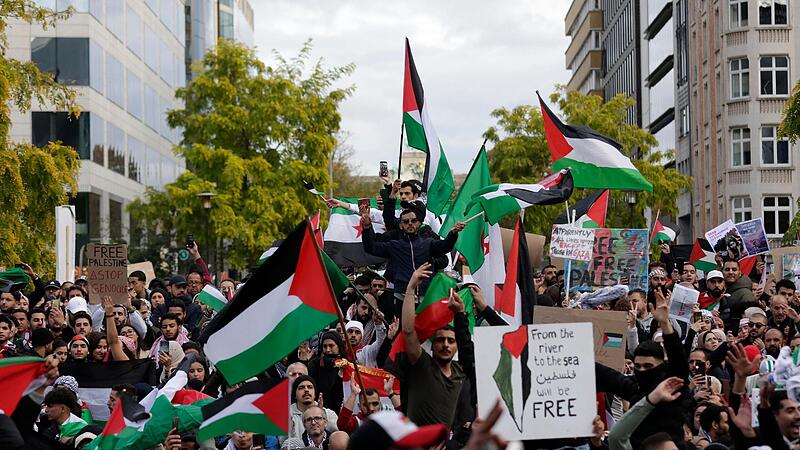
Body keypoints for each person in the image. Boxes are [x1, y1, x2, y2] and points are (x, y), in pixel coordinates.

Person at [394, 263, 472, 427]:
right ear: (432, 344)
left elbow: (466, 345)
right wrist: (411, 287)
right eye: (440, 340)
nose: (445, 345)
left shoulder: (461, 371)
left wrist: (460, 314)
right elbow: (408, 331)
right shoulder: (421, 365)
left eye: (451, 341)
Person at [361, 206, 464, 297]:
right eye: (406, 222)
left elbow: (445, 246)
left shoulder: (429, 243)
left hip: (425, 295)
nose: (410, 224)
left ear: (419, 223)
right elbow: (371, 247)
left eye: (413, 221)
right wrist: (366, 228)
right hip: (402, 294)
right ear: (401, 225)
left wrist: (453, 233)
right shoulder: (394, 245)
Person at [285, 375, 338, 444]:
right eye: (301, 388)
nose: (306, 390)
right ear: (295, 395)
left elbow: (338, 439)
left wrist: (321, 416)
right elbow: (284, 444)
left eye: (310, 387)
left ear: (315, 394)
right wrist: (291, 428)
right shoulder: (287, 415)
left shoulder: (329, 414)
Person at [721, 259, 757, 331]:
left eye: (734, 269)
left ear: (740, 273)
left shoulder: (745, 294)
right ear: (722, 272)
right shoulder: (720, 289)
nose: (731, 272)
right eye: (727, 269)